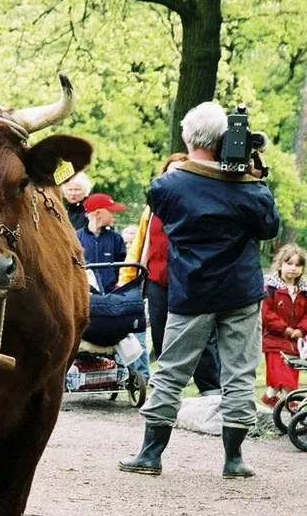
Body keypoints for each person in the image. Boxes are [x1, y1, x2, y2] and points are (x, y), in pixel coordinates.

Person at [119, 102, 281, 479]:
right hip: (240, 291)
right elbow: (269, 227)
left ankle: (150, 453)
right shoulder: (249, 191)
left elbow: (167, 201)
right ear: (226, 139)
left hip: (191, 291)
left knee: (172, 370)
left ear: (187, 138)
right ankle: (234, 459)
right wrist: (252, 176)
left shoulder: (166, 187)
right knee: (240, 374)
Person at [123, 154, 221, 394]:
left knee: (202, 335)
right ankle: (168, 389)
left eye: (181, 171)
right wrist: (130, 275)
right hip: (158, 277)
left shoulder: (200, 201)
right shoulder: (154, 206)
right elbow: (142, 242)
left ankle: (210, 389)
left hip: (191, 279)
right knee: (160, 332)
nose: (174, 176)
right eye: (170, 172)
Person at [259, 244, 307, 409]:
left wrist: (301, 329)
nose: (293, 268)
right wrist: (285, 329)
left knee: (290, 374)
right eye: (289, 263)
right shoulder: (271, 288)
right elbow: (266, 314)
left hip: (295, 343)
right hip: (274, 340)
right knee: (281, 374)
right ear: (280, 265)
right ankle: (292, 406)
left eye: (298, 265)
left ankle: (269, 398)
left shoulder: (303, 291)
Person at [76, 193, 128, 292]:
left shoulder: (116, 239)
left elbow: (122, 268)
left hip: (111, 295)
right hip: (84, 294)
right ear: (98, 213)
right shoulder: (76, 238)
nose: (114, 215)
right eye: (111, 212)